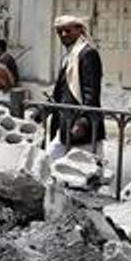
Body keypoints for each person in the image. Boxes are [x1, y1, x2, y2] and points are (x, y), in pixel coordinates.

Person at [49, 16, 104, 160]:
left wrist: (83, 121)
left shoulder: (87, 54)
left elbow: (91, 92)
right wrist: (40, 112)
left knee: (87, 168)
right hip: (65, 124)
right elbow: (60, 91)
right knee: (49, 163)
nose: (63, 35)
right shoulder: (70, 56)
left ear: (80, 30)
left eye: (68, 30)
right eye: (59, 32)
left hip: (79, 126)